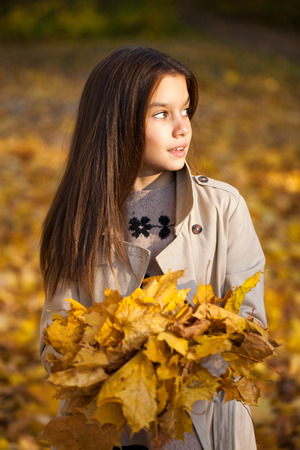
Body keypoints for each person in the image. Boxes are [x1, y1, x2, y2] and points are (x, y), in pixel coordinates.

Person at [39, 46, 266, 450]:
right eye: (162, 114)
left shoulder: (224, 207)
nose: (183, 128)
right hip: (109, 429)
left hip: (205, 428)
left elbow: (251, 330)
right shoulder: (79, 221)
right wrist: (119, 356)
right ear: (116, 124)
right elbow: (54, 344)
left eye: (186, 110)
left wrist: (185, 348)